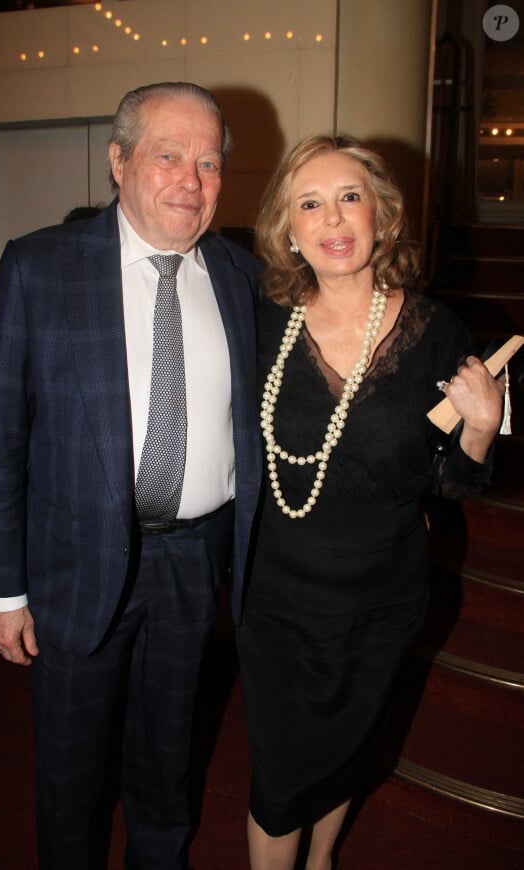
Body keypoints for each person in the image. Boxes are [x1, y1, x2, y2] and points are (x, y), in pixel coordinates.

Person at [0, 81, 262, 870]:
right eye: (169, 156)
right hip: (74, 562)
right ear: (119, 160)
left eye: (208, 162)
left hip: (196, 560)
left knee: (168, 759)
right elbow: (1, 437)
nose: (191, 182)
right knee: (71, 769)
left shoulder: (241, 276)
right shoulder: (41, 268)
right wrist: (2, 591)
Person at [236, 134, 504, 869]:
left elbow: (447, 482)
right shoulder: (259, 322)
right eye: (310, 203)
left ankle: (320, 862)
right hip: (278, 598)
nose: (334, 218)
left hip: (384, 596)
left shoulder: (433, 331)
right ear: (289, 230)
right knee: (281, 774)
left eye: (350, 196)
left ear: (381, 214)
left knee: (347, 753)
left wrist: (480, 430)